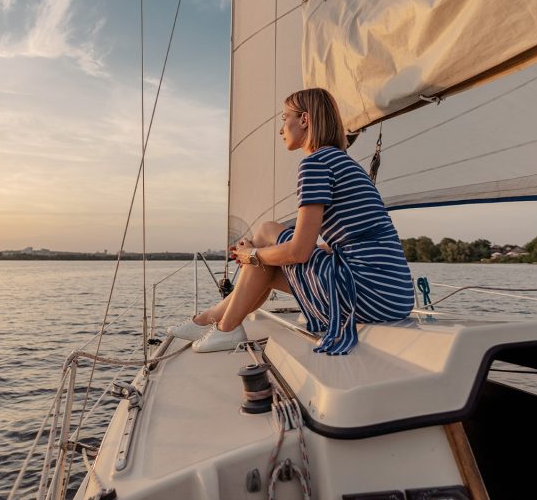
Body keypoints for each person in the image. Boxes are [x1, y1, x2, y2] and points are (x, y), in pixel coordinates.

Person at [169, 88, 413, 354]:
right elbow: (340, 246)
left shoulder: (315, 164)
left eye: (285, 118)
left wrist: (252, 254)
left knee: (266, 232)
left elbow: (299, 251)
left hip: (366, 292)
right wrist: (259, 255)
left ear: (305, 120)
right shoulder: (345, 163)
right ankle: (211, 319)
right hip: (393, 295)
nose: (281, 128)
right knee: (269, 262)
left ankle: (224, 327)